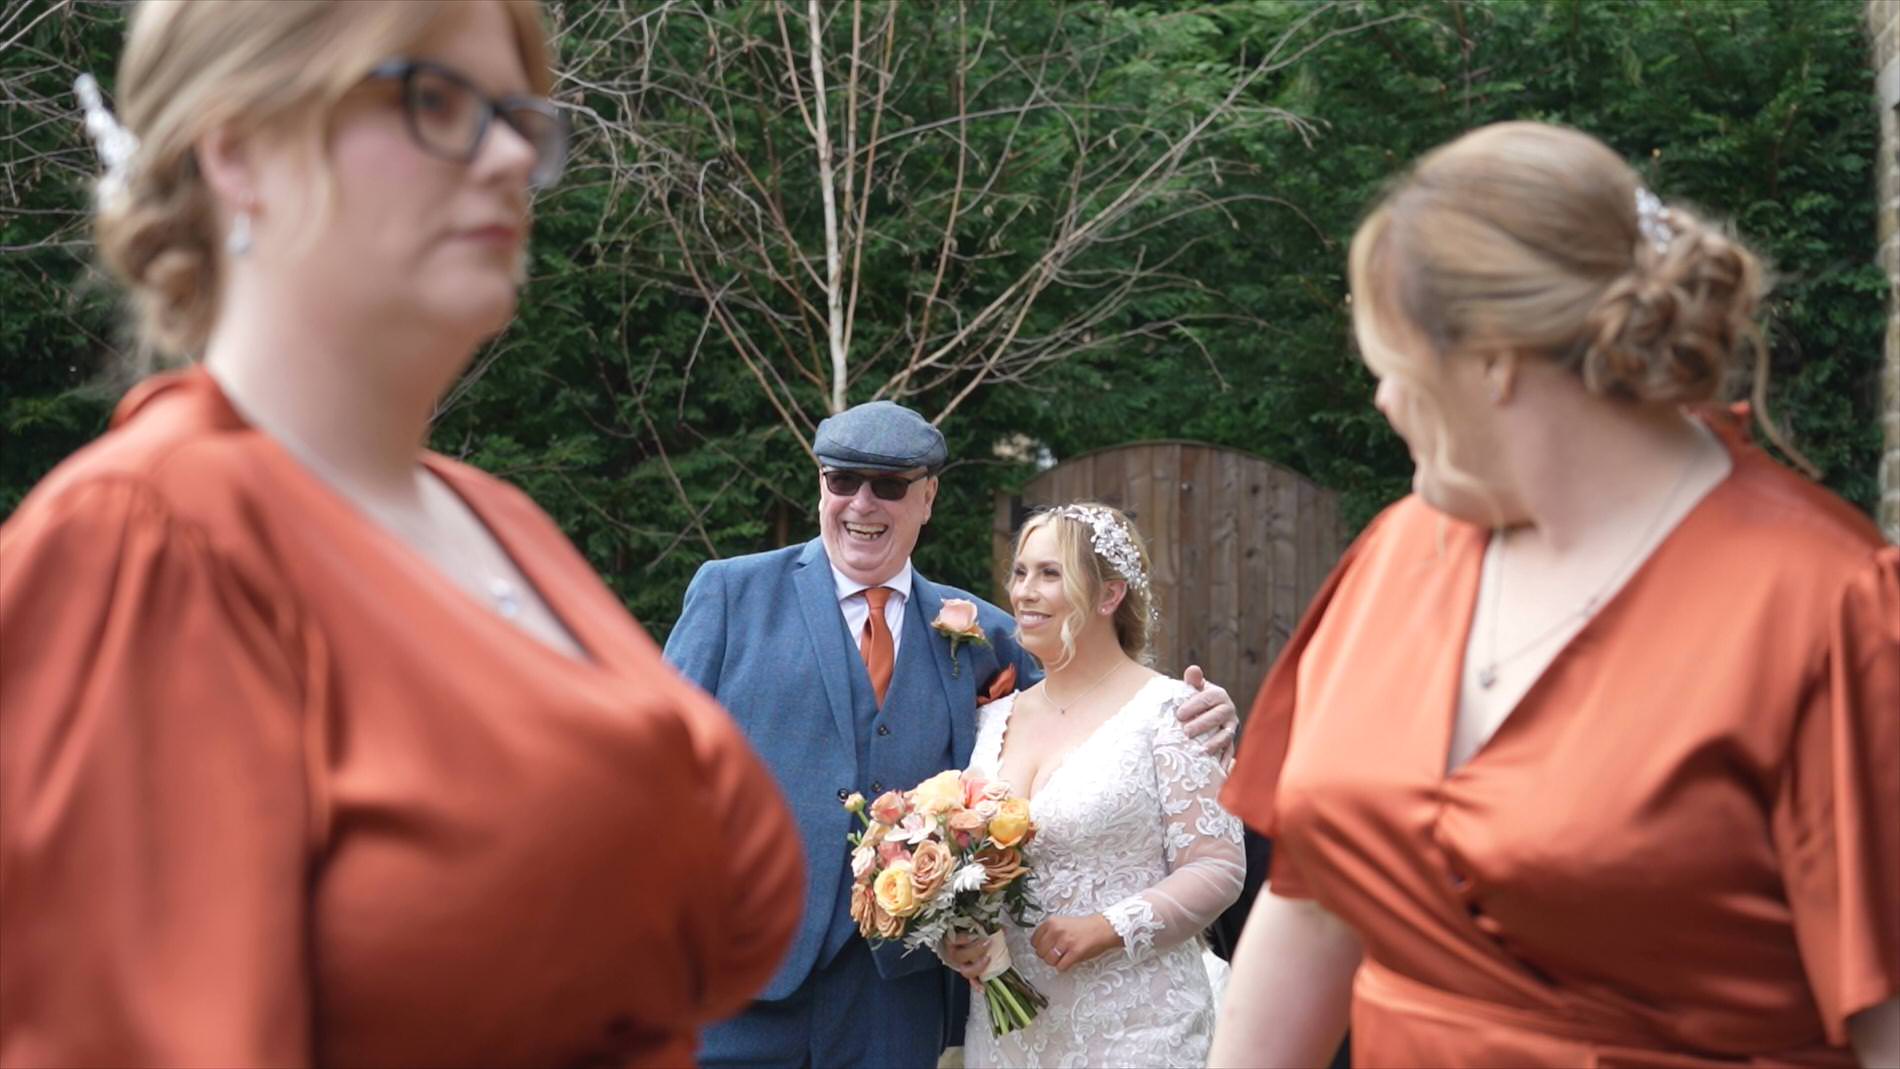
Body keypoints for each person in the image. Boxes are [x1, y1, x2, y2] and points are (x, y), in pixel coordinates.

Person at [0, 3, 801, 1065]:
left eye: (520, 114)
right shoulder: (152, 541)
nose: (513, 151)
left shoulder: (500, 520)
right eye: (432, 97)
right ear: (239, 150)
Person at [1208, 121, 1899, 1067]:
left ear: (1494, 360)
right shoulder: (1395, 557)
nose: (1383, 402)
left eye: (1397, 368)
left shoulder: (1828, 604)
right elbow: (1317, 907)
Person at [663, 404, 1243, 1068]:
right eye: (841, 479)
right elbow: (649, 770)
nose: (861, 502)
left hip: (897, 997)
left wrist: (1209, 710)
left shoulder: (987, 635)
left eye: (888, 485)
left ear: (928, 496)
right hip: (739, 974)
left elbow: (1090, 712)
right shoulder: (731, 595)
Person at [944, 503, 1245, 1068]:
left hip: (1136, 1027)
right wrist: (957, 934)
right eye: (1021, 572)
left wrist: (1106, 928)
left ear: (1109, 596)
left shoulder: (1173, 711)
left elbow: (1218, 868)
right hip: (1010, 1032)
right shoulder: (992, 719)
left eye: (1050, 574)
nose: (1024, 592)